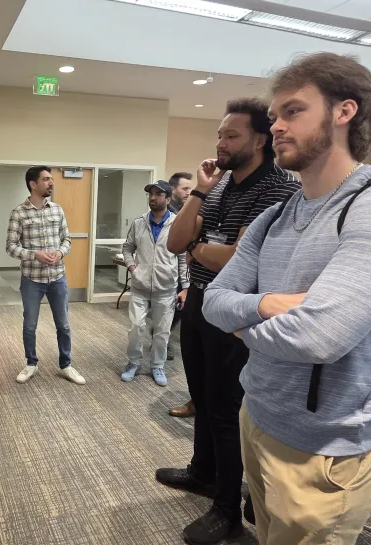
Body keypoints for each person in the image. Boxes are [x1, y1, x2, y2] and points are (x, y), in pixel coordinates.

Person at [203, 52, 371, 545]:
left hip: (329, 449)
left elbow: (316, 338)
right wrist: (265, 305)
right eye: (274, 116)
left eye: (293, 111)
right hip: (257, 415)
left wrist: (240, 321)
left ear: (344, 111)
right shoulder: (275, 215)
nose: (276, 126)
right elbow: (212, 299)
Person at [159, 98, 300, 544]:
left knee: (225, 409)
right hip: (200, 302)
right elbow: (174, 242)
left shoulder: (278, 188)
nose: (220, 143)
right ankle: (202, 472)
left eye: (231, 135)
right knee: (201, 397)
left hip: (239, 311)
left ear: (259, 141)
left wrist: (198, 248)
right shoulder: (219, 187)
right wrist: (200, 191)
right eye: (219, 134)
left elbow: (240, 260)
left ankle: (227, 509)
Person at [6, 166, 85, 385]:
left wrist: (60, 252)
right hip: (32, 279)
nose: (51, 183)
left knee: (64, 325)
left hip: (57, 277)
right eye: (46, 179)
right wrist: (35, 255)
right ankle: (31, 364)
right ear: (33, 184)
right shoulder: (19, 213)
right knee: (29, 325)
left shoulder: (57, 210)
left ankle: (66, 365)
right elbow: (11, 247)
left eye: (51, 179)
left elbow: (67, 240)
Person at [121, 181, 189, 385]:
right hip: (140, 287)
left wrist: (186, 287)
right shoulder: (139, 223)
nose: (153, 197)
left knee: (162, 331)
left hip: (166, 288)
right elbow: (127, 248)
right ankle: (133, 362)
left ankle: (158, 365)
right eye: (151, 194)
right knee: (136, 327)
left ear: (168, 199)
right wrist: (133, 269)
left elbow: (183, 257)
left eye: (158, 194)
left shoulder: (177, 224)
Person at [167, 172, 196, 409]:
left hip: (186, 273)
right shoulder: (170, 214)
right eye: (185, 188)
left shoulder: (190, 211)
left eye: (190, 188)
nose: (188, 192)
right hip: (170, 272)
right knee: (174, 310)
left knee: (177, 309)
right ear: (173, 190)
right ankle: (162, 337)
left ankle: (163, 336)